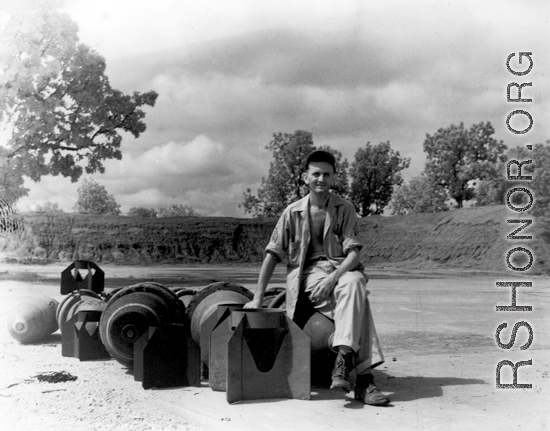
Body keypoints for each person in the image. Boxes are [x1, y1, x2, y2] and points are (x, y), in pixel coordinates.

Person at [244, 150, 390, 406]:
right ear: (305, 177)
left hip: (339, 271)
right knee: (359, 303)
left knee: (356, 282)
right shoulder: (291, 212)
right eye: (316, 174)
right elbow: (272, 254)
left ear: (334, 177)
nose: (321, 179)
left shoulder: (346, 209)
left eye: (327, 174)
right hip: (308, 275)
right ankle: (365, 381)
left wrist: (333, 278)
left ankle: (343, 357)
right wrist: (257, 297)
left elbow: (353, 253)